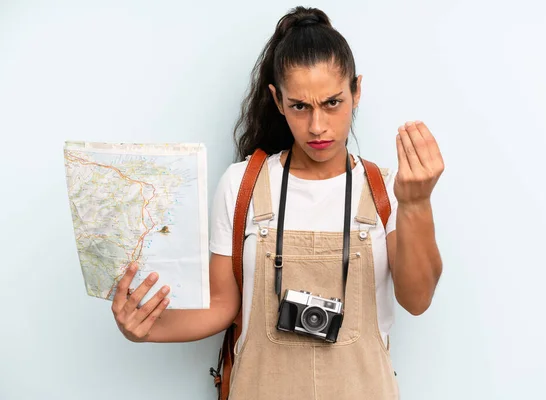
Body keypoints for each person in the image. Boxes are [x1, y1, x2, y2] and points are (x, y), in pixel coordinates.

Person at [111, 6, 444, 399]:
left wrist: (417, 203)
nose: (317, 126)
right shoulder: (243, 184)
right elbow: (223, 306)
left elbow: (417, 299)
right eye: (300, 106)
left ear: (357, 91)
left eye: (333, 103)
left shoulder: (388, 190)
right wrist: (147, 327)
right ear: (278, 100)